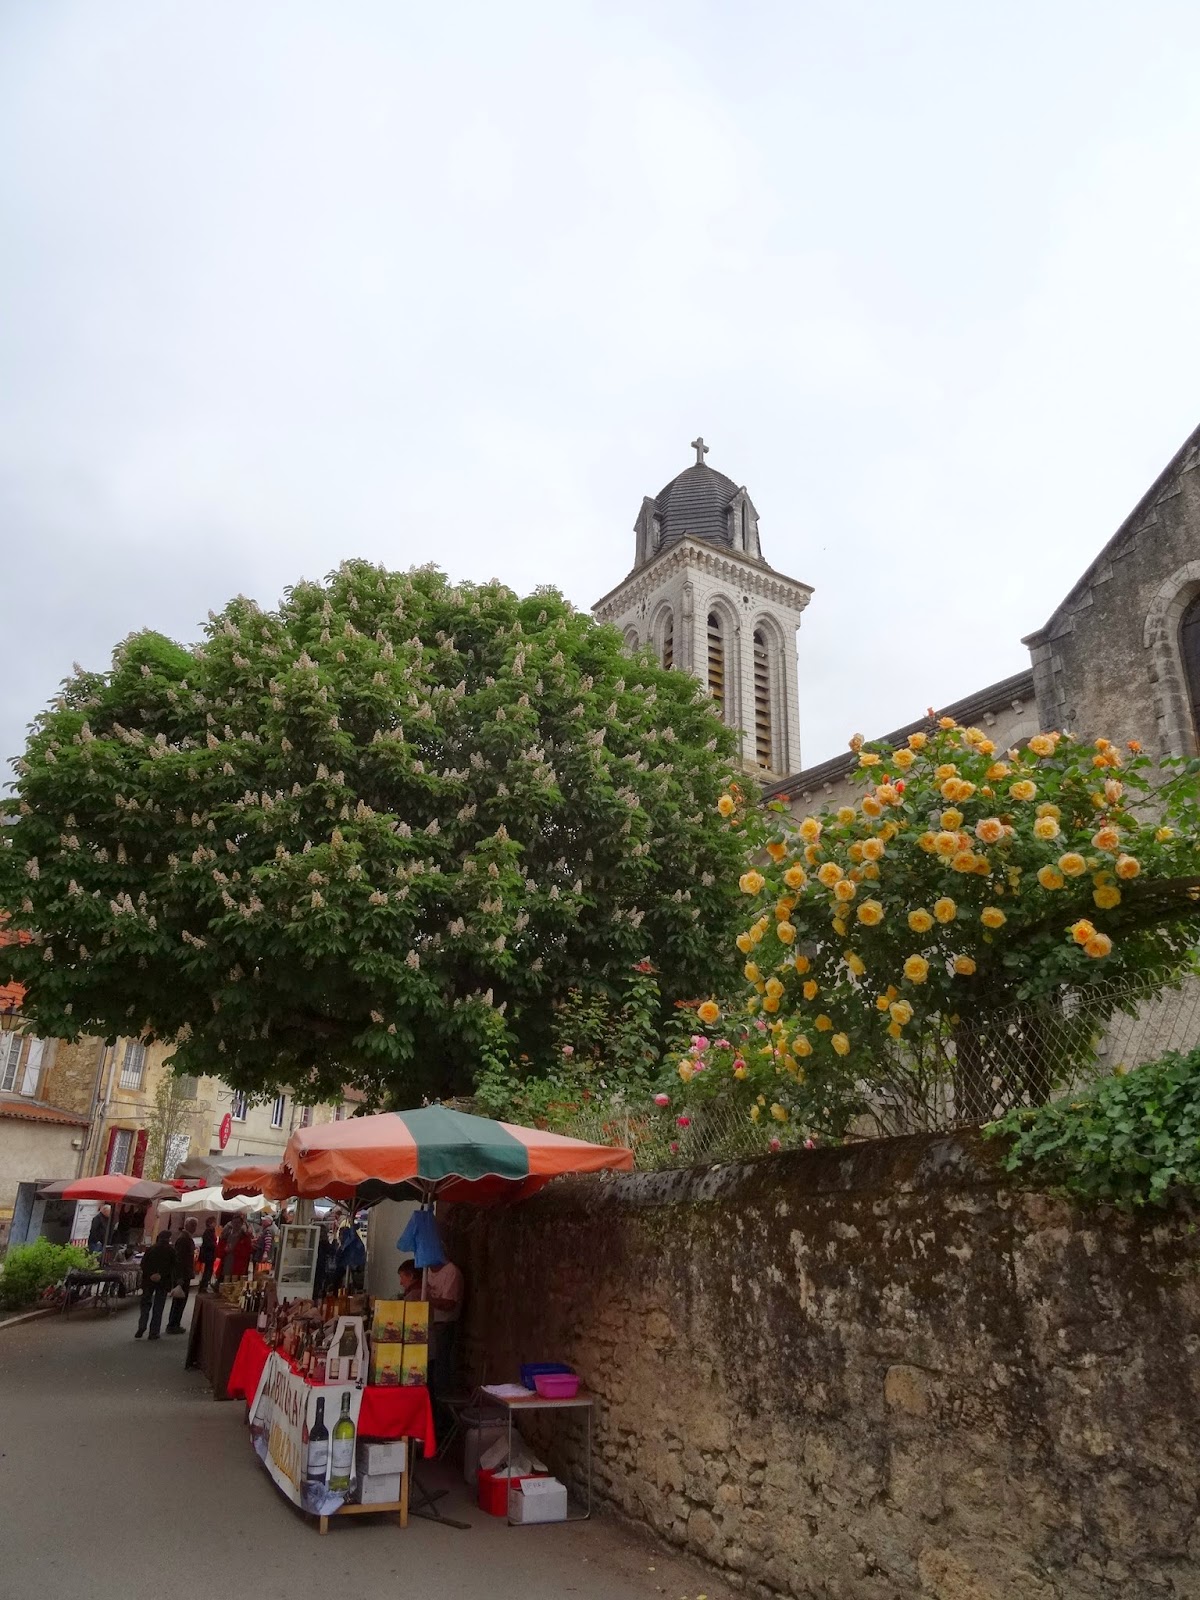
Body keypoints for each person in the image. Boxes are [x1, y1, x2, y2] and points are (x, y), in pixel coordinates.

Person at [424, 1255, 465, 1414]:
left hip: (444, 1324)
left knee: (440, 1365)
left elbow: (449, 1304)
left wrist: (428, 1298)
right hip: (429, 1323)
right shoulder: (427, 1271)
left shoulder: (451, 1272)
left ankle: (442, 1411)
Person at [135, 1230, 175, 1340]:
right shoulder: (171, 1250)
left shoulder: (151, 1249)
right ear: (168, 1238)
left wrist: (151, 1274)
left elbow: (143, 1264)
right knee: (158, 1307)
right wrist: (161, 1275)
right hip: (163, 1281)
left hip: (148, 1280)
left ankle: (142, 1325)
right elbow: (173, 1267)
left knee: (145, 1304)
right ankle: (154, 1332)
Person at [166, 1220, 197, 1334]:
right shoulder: (183, 1239)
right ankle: (173, 1324)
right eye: (192, 1225)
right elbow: (179, 1259)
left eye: (195, 1225)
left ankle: (175, 1324)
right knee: (179, 1300)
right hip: (182, 1275)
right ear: (186, 1225)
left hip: (185, 1274)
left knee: (180, 1300)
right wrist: (179, 1277)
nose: (194, 1227)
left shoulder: (186, 1237)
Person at [334, 1218, 366, 1294]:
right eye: (340, 1234)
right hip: (347, 1273)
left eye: (341, 1235)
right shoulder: (343, 1247)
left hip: (353, 1272)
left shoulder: (350, 1245)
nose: (340, 1237)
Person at [196, 1219, 218, 1294]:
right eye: (214, 1222)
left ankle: (204, 1286)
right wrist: (215, 1246)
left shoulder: (211, 1231)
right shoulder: (208, 1231)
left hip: (210, 1254)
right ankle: (203, 1287)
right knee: (207, 1271)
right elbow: (209, 1243)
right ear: (210, 1223)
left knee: (208, 1271)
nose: (215, 1224)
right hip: (208, 1254)